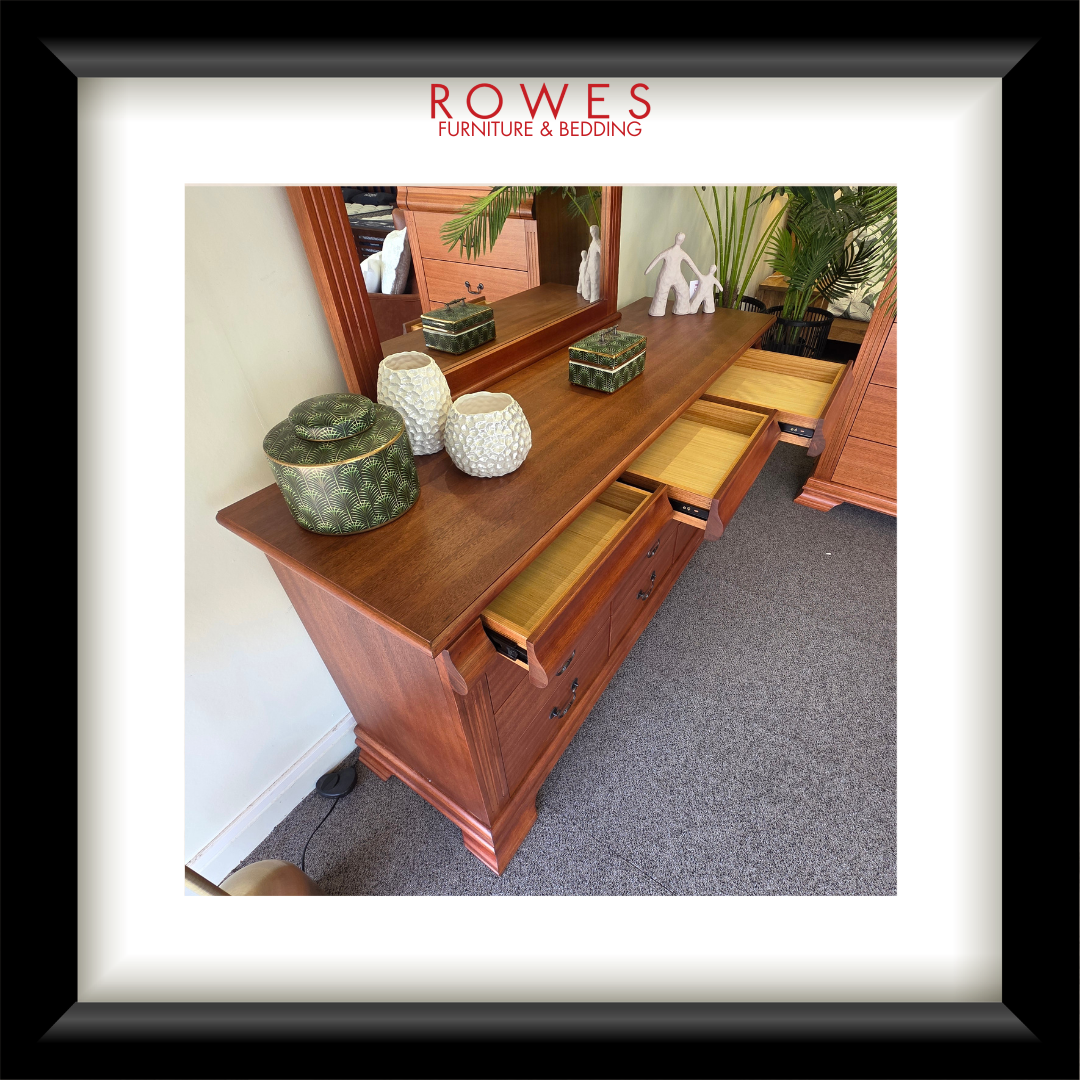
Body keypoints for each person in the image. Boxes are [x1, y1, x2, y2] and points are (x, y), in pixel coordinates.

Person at [645, 232, 703, 316]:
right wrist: (647, 270)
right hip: (666, 276)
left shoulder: (678, 253)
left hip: (675, 276)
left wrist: (699, 275)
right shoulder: (671, 252)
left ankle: (680, 309)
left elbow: (691, 264)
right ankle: (657, 311)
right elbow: (656, 260)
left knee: (683, 291)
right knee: (662, 294)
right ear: (681, 240)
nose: (680, 240)